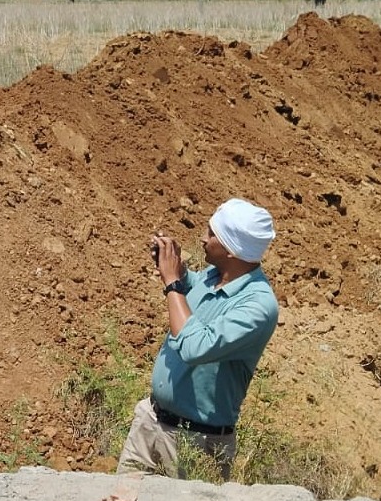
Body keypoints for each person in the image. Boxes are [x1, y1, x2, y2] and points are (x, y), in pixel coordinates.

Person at [116, 198, 279, 481]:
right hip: (150, 422)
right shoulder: (216, 275)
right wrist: (177, 270)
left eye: (212, 233)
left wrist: (172, 284)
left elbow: (194, 347)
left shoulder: (258, 306)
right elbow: (195, 291)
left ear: (232, 248)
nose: (203, 239)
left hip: (194, 445)